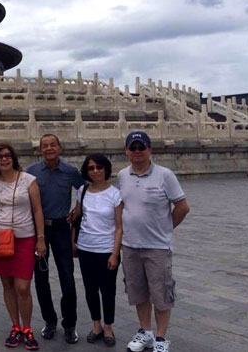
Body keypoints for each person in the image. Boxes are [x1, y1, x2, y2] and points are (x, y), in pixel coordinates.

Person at [118, 132, 189, 352]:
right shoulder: (122, 175)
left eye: (142, 147)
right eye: (133, 147)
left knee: (161, 294)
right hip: (130, 245)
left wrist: (166, 228)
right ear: (127, 150)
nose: (138, 151)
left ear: (150, 149)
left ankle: (161, 337)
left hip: (157, 247)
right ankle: (145, 331)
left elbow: (182, 207)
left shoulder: (164, 175)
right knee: (138, 292)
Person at [25, 133, 84, 344]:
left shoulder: (70, 171)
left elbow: (85, 190)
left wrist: (76, 210)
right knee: (41, 278)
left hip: (60, 228)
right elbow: (11, 184)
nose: (49, 148)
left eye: (52, 145)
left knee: (67, 277)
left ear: (60, 148)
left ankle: (69, 324)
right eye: (44, 146)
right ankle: (49, 321)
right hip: (38, 229)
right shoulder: (30, 172)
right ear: (40, 150)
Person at [0, 143, 46, 351]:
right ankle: (15, 327)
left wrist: (41, 238)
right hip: (0, 239)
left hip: (25, 237)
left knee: (23, 286)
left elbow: (38, 210)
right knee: (7, 286)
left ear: (13, 158)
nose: (4, 160)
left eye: (7, 156)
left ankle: (28, 328)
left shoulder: (28, 180)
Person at [73, 154, 123, 347]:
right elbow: (76, 217)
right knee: (90, 289)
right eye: (91, 168)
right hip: (86, 248)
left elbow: (119, 226)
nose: (95, 171)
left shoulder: (115, 194)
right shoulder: (82, 191)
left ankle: (108, 327)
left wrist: (114, 253)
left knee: (108, 290)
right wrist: (72, 243)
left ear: (106, 170)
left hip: (106, 249)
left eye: (99, 167)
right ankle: (96, 325)